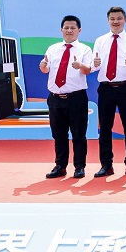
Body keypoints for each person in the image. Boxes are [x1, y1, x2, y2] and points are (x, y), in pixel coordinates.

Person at [90, 6, 126, 178]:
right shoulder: (100, 41)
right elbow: (93, 65)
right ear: (108, 21)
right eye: (112, 19)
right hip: (106, 88)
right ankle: (106, 165)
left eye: (119, 18)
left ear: (125, 20)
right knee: (105, 128)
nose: (116, 21)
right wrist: (94, 64)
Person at [39, 15, 93, 179]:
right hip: (55, 98)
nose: (69, 31)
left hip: (76, 98)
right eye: (66, 28)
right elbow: (45, 70)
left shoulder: (85, 49)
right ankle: (60, 166)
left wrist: (80, 65)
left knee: (78, 134)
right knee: (59, 134)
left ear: (79, 30)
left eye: (73, 28)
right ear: (61, 30)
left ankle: (79, 167)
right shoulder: (53, 49)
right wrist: (42, 66)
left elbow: (87, 71)